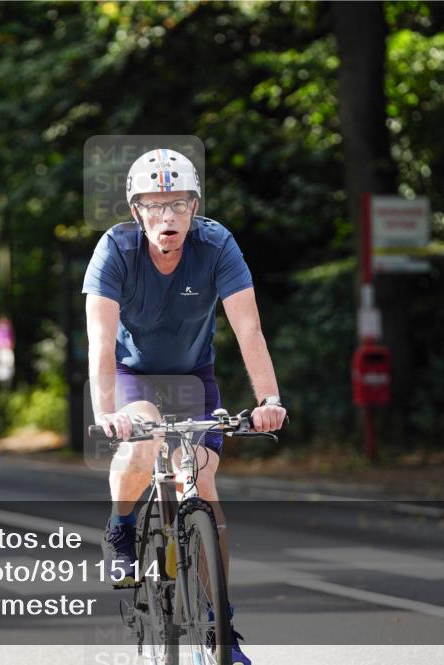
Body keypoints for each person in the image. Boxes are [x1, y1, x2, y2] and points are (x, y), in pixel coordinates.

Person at [83, 148, 286, 665]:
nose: (167, 217)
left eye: (177, 204)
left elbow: (249, 329)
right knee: (144, 442)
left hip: (195, 376)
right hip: (134, 374)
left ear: (195, 208)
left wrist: (269, 399)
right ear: (136, 211)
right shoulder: (115, 250)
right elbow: (100, 340)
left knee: (198, 476)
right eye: (154, 205)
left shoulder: (217, 245)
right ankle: (121, 528)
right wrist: (107, 409)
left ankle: (220, 625)